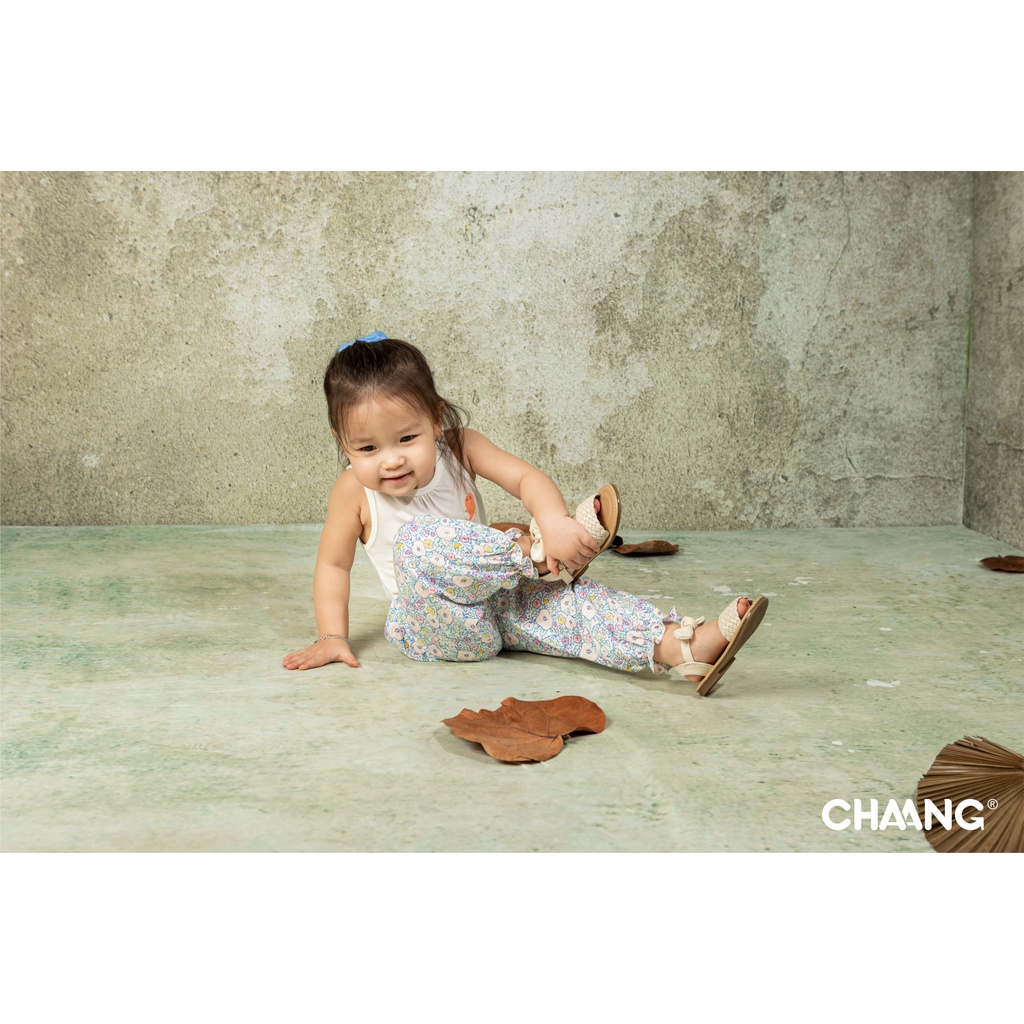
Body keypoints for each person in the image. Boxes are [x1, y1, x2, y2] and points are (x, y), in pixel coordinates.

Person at [283, 332, 767, 695]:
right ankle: (535, 553)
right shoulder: (353, 491)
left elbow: (524, 479)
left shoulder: (460, 447)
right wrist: (332, 635)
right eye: (367, 448)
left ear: (435, 418)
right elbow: (333, 566)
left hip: (500, 604)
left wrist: (552, 519)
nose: (391, 460)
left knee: (573, 607)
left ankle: (684, 646)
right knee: (418, 541)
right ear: (342, 442)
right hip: (435, 625)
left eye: (406, 438)